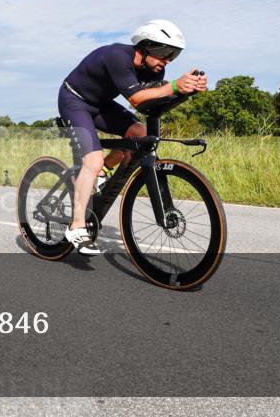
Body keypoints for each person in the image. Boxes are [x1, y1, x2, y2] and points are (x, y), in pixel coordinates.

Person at [58, 19, 208, 255]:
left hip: (101, 105)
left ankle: (103, 170)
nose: (168, 60)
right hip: (74, 100)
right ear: (145, 46)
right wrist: (175, 86)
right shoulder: (118, 56)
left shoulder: (155, 68)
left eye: (174, 54)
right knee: (92, 161)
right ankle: (76, 227)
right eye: (165, 52)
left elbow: (152, 102)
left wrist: (186, 91)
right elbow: (137, 99)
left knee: (140, 134)